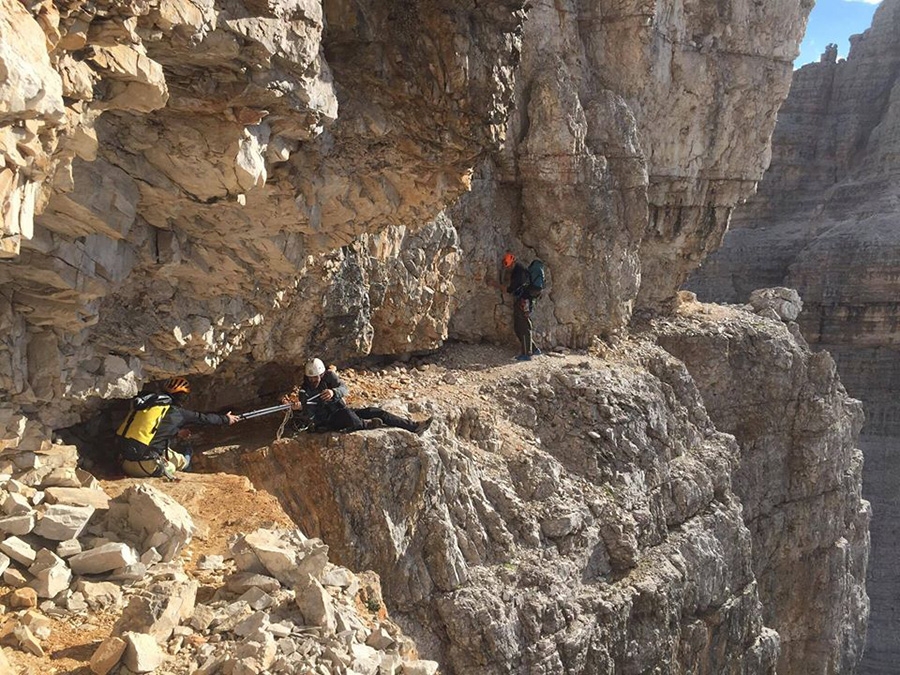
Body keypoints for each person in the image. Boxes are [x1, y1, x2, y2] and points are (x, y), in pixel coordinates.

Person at [115, 377, 239, 479]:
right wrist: (226, 419)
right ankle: (188, 470)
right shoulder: (178, 413)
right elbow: (204, 418)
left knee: (162, 451)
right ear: (182, 397)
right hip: (144, 467)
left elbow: (153, 430)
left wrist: (177, 432)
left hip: (123, 462)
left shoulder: (149, 406)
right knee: (182, 461)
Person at [283, 358, 433, 435]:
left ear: (322, 374)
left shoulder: (329, 377)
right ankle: (366, 424)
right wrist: (301, 407)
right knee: (347, 414)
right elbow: (310, 414)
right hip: (329, 420)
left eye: (317, 377)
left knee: (375, 411)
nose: (314, 380)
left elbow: (344, 388)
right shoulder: (305, 391)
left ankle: (413, 427)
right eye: (311, 378)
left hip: (341, 410)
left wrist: (334, 393)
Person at [502, 251, 541, 361]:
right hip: (525, 300)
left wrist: (494, 284)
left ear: (512, 263)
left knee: (523, 326)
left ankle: (527, 354)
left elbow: (510, 290)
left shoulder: (518, 273)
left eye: (508, 266)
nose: (507, 268)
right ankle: (533, 349)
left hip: (523, 301)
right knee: (521, 326)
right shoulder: (520, 270)